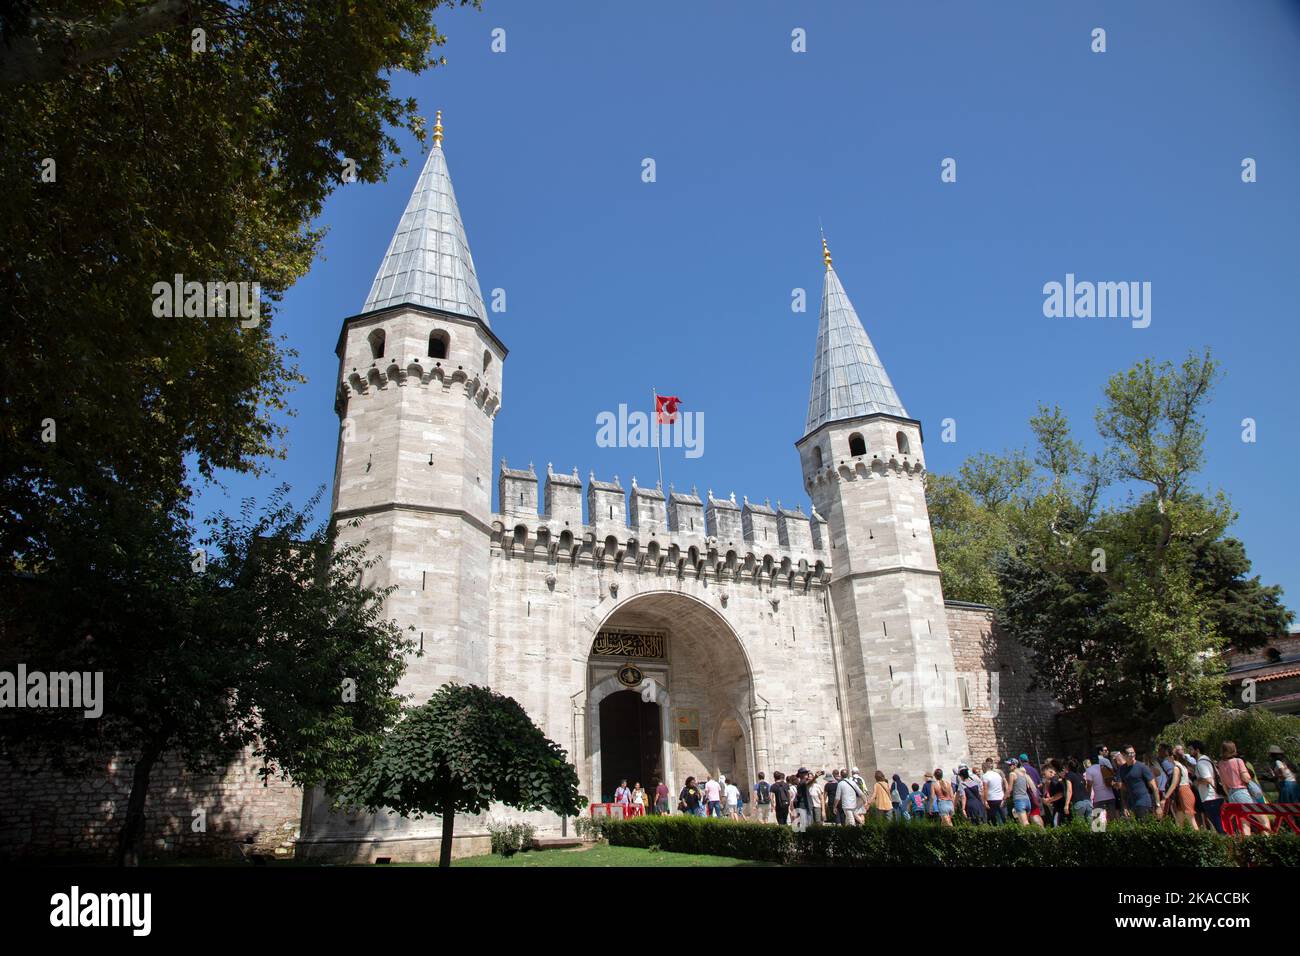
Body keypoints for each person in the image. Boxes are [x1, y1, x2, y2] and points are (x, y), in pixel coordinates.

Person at [1218, 740, 1260, 835]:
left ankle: (1246, 846)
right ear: (1234, 749)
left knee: (1245, 823)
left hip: (1231, 795)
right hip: (1242, 792)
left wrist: (1229, 794)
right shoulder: (1238, 761)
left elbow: (1224, 784)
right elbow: (1246, 778)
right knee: (1263, 818)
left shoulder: (1220, 763)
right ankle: (1268, 842)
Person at [1188, 740, 1225, 833]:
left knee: (1219, 827)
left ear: (1197, 750)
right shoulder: (1207, 759)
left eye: (1191, 749)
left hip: (1210, 798)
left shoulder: (1201, 763)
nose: (1189, 751)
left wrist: (1196, 781)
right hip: (1215, 796)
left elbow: (1207, 779)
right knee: (1220, 825)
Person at [1118, 747, 1161, 820]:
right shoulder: (1122, 769)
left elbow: (1154, 787)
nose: (1132, 755)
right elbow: (1123, 789)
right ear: (1124, 755)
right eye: (1129, 753)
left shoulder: (1142, 767)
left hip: (1144, 803)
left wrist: (1158, 806)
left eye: (1133, 753)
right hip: (1131, 804)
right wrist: (1124, 806)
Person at [1160, 750, 1197, 829]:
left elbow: (1174, 784)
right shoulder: (1182, 766)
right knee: (1180, 821)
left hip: (1183, 792)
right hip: (1182, 792)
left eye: (1168, 757)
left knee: (1191, 820)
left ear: (1172, 757)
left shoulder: (1176, 768)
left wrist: (1165, 797)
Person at [1083, 751, 1116, 823]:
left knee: (1098, 825)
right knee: (1113, 821)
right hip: (1111, 796)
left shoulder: (1089, 770)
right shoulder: (1104, 767)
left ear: (1090, 761)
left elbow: (1089, 785)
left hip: (1098, 799)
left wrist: (1088, 797)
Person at [1064, 758, 1091, 824]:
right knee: (1091, 826)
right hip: (1088, 802)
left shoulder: (1069, 775)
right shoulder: (1080, 775)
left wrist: (1066, 805)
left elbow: (1069, 790)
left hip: (1078, 802)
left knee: (1081, 827)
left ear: (1068, 766)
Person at [981, 758, 1007, 824]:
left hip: (991, 799)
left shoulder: (985, 776)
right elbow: (1001, 786)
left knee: (992, 819)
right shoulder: (997, 774)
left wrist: (985, 800)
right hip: (1000, 797)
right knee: (1002, 817)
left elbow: (985, 789)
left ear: (984, 768)